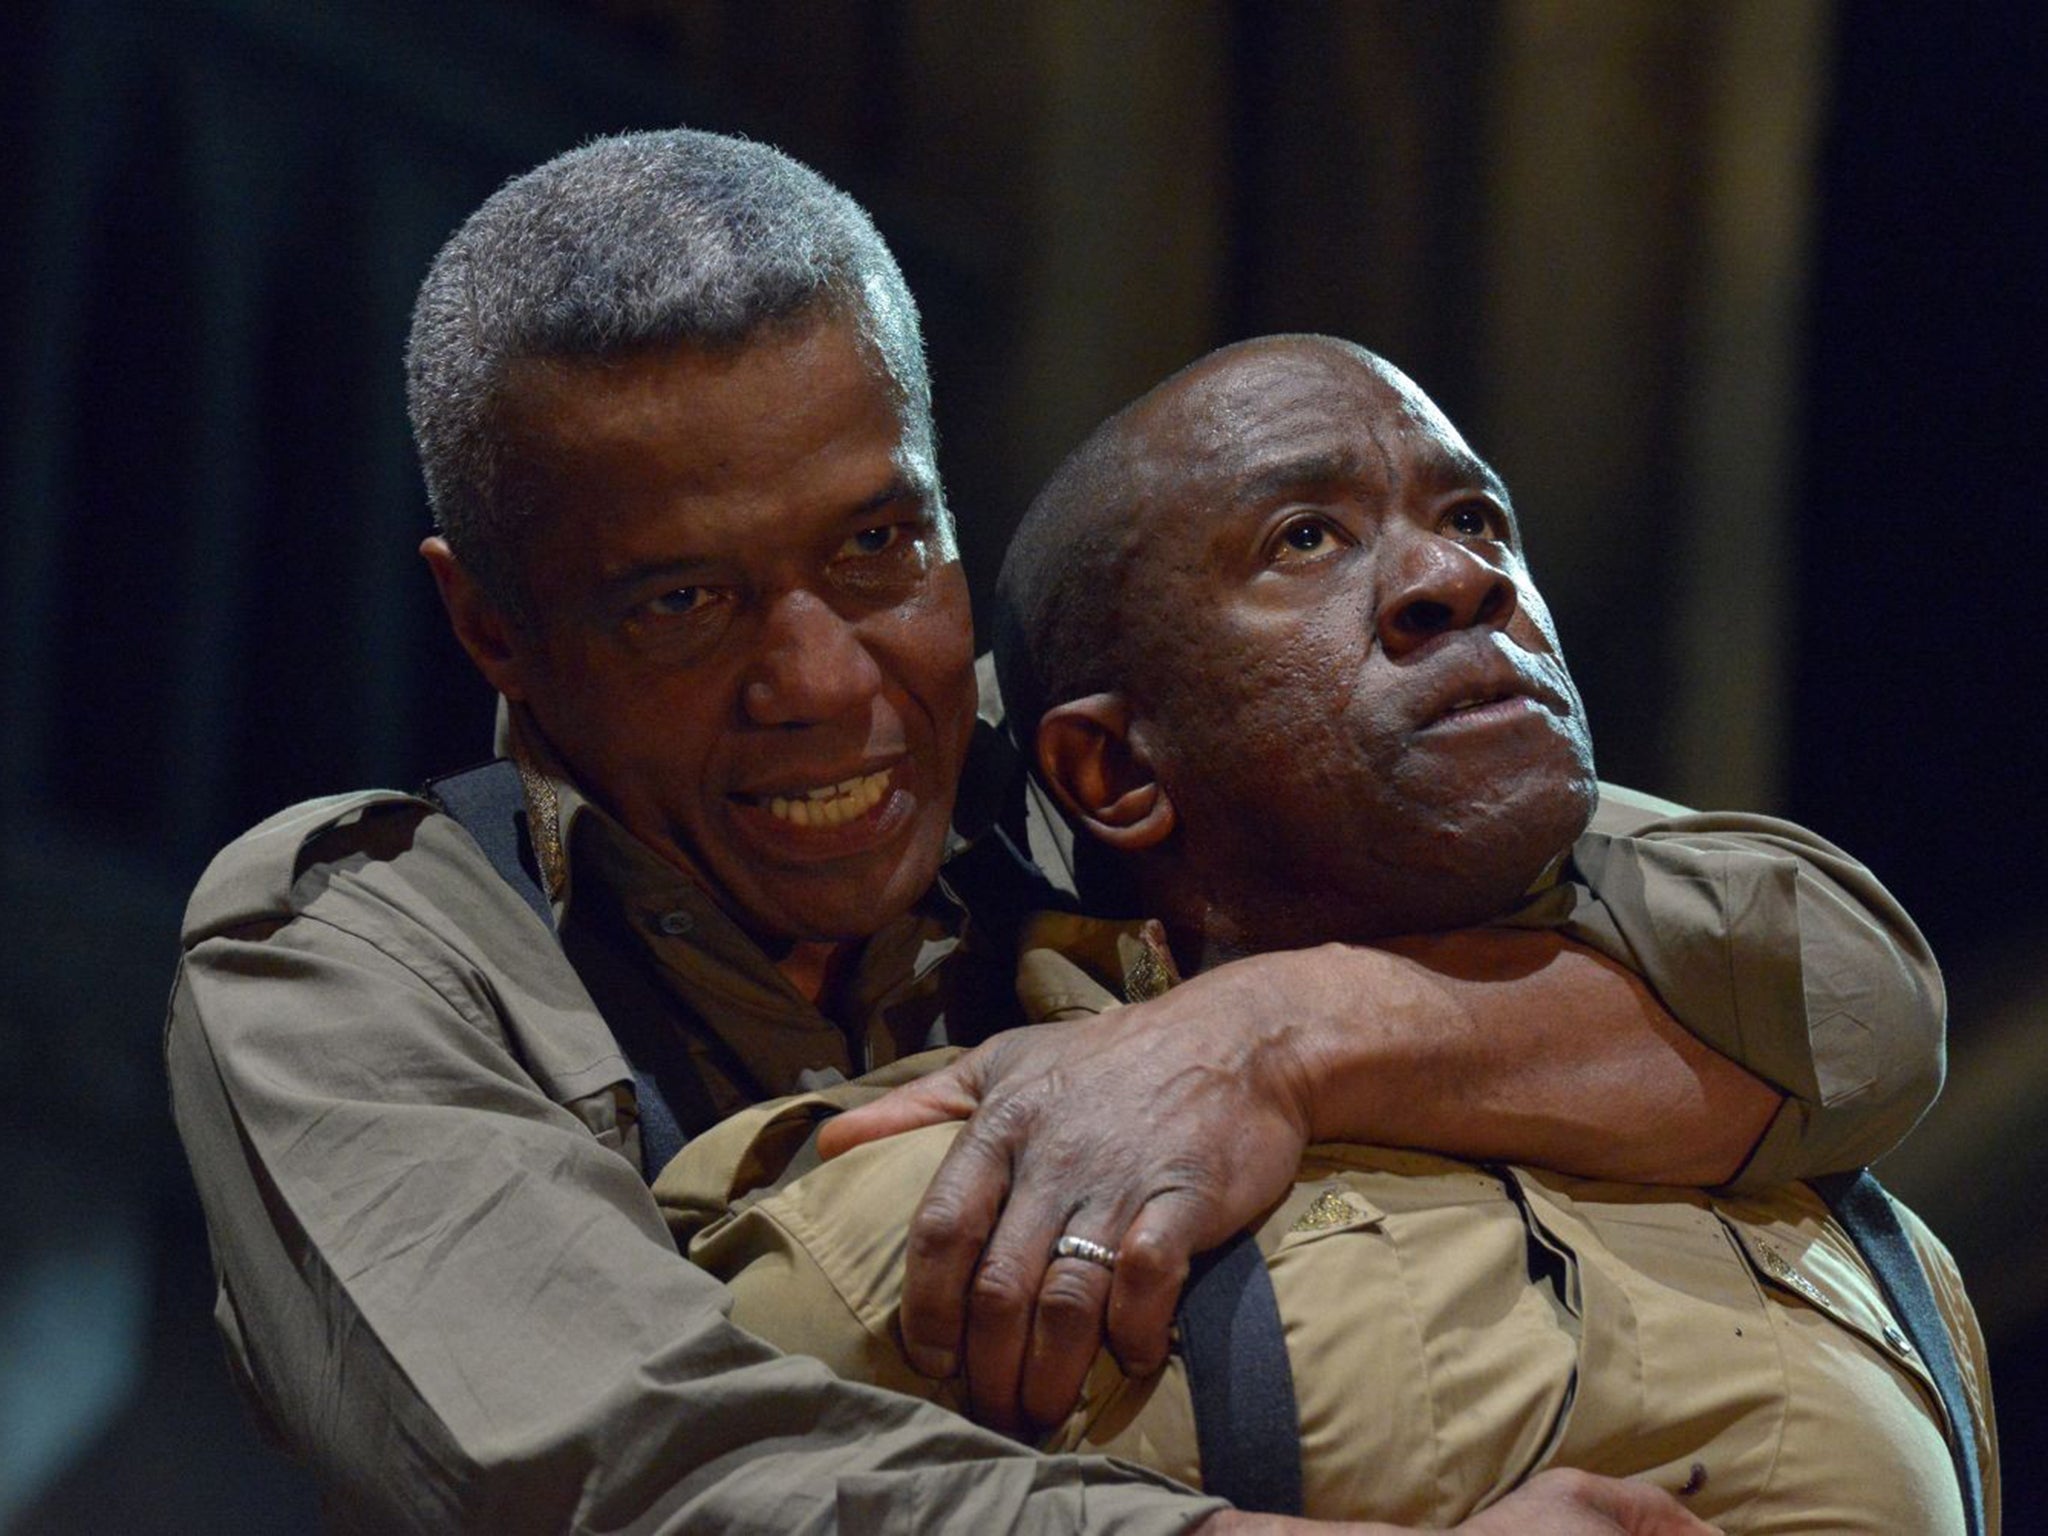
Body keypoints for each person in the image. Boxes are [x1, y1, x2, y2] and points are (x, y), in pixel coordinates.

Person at [165, 128, 1942, 1533]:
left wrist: (1279, 1037)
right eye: (683, 604)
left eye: (878, 549)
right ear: (492, 629)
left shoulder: (1112, 766)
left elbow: (1834, 984)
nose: (825, 685)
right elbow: (594, 1468)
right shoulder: (353, 944)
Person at [654, 334, 1998, 1531]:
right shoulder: (953, 1218)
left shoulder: (1799, 1152)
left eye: (1476, 517)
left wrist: (1278, 1034)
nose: (1455, 578)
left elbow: (1849, 975)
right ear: (1116, 772)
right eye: (1305, 538)